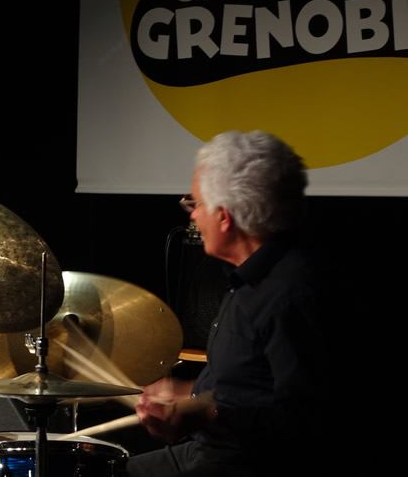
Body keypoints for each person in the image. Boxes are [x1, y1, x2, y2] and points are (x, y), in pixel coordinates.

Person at [127, 130, 332, 477]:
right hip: (207, 448)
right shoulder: (249, 280)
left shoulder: (291, 296)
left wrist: (206, 412)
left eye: (195, 203)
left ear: (224, 217)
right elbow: (250, 386)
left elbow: (305, 421)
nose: (192, 215)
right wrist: (188, 393)